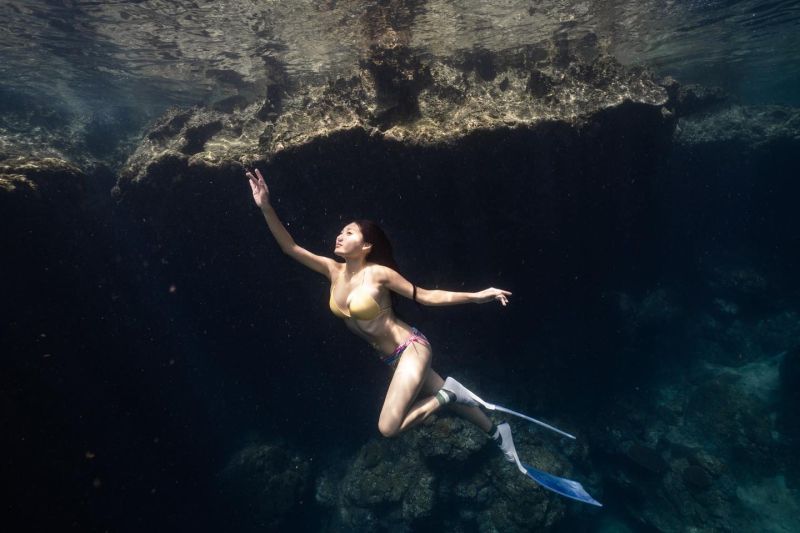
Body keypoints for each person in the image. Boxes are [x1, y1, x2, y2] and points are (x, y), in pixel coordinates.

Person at [246, 167, 520, 461]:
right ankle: (497, 431)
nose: (340, 235)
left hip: (411, 349)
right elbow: (290, 247)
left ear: (365, 246)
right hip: (391, 358)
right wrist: (266, 207)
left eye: (348, 232)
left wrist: (477, 296)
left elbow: (426, 296)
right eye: (341, 231)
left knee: (388, 427)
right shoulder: (332, 271)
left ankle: (448, 394)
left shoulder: (379, 274)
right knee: (452, 407)